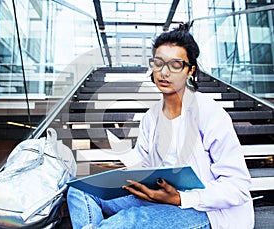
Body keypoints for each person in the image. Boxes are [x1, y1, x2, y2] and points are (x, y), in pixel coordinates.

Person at [67, 23, 254, 229]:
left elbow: (238, 186)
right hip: (159, 196)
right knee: (83, 189)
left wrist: (180, 199)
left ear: (190, 70)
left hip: (207, 211)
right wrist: (114, 173)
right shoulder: (151, 116)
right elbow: (145, 167)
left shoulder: (210, 113)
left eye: (175, 65)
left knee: (126, 222)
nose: (164, 72)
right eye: (159, 63)